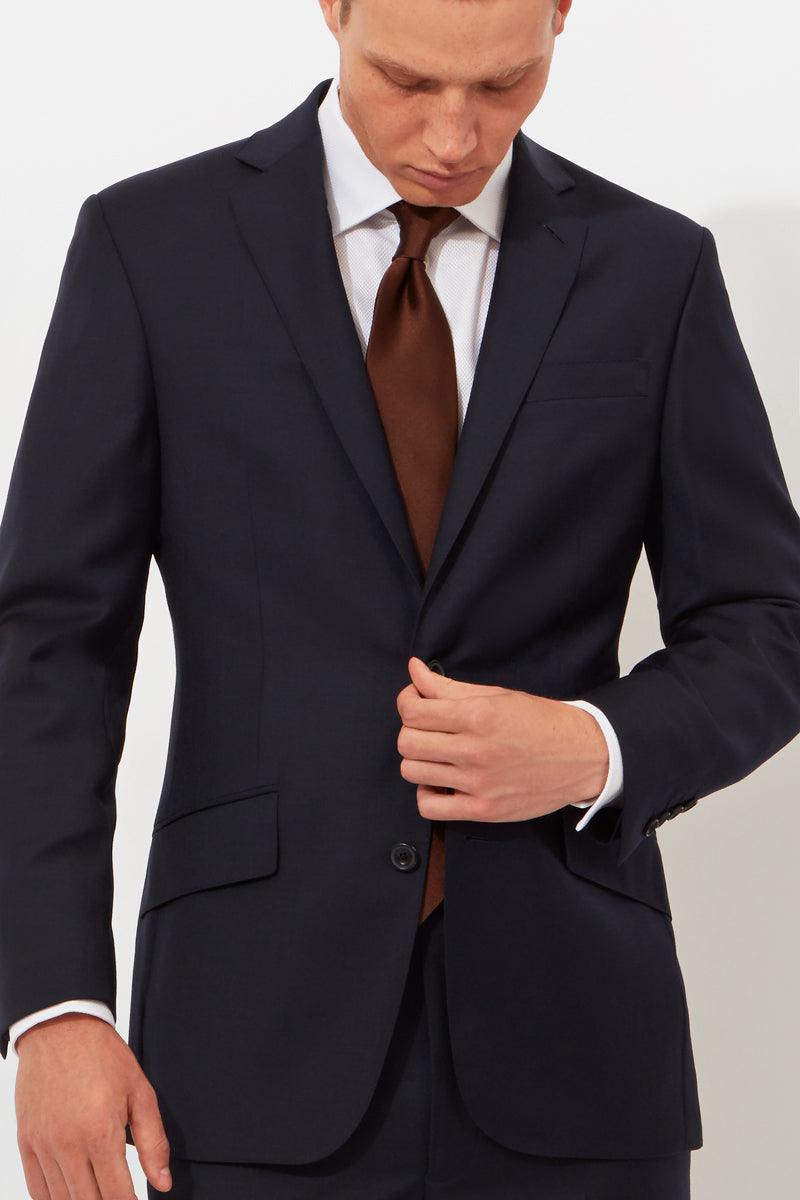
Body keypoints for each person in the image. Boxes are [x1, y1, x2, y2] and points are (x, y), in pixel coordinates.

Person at [3, 1, 800, 1197]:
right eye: (409, 81)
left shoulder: (652, 267)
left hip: (577, 1044)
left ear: (560, 16)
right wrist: (55, 1006)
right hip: (242, 1047)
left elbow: (766, 626)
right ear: (332, 8)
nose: (452, 136)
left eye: (503, 85)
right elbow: (50, 648)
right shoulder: (151, 245)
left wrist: (592, 746)